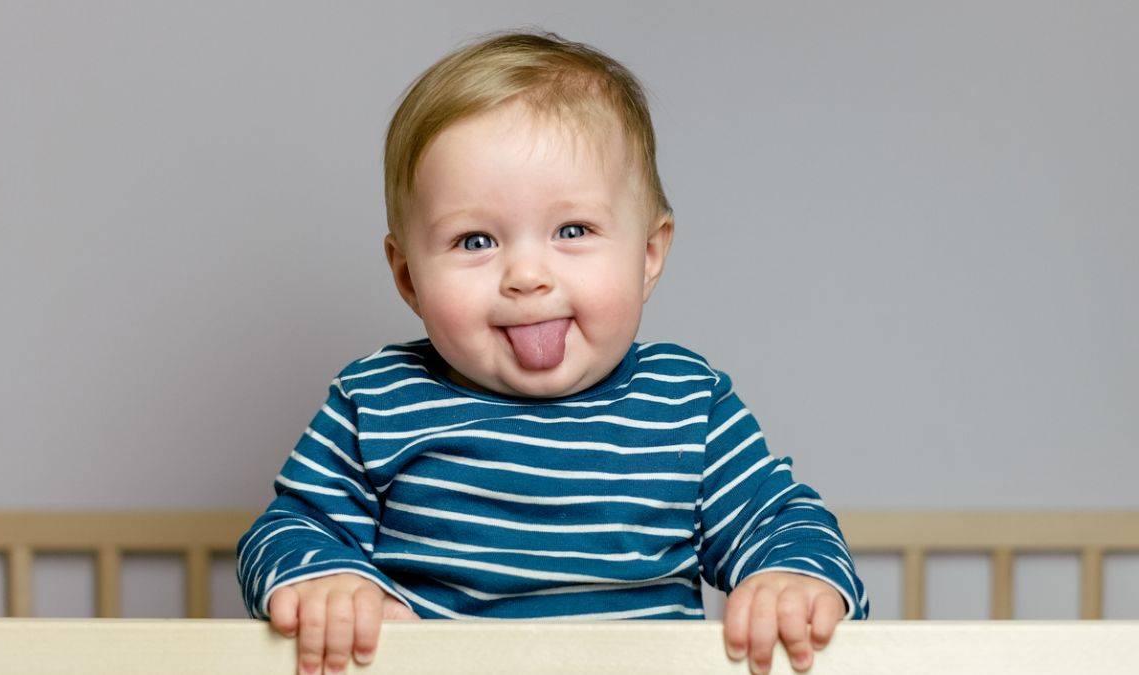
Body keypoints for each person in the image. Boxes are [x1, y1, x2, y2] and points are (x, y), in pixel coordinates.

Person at [237, 28, 869, 675]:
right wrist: (329, 583)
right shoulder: (378, 399)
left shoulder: (686, 403)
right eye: (475, 241)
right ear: (408, 277)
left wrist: (790, 579)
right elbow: (290, 527)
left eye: (572, 229)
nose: (527, 275)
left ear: (649, 254)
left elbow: (778, 518)